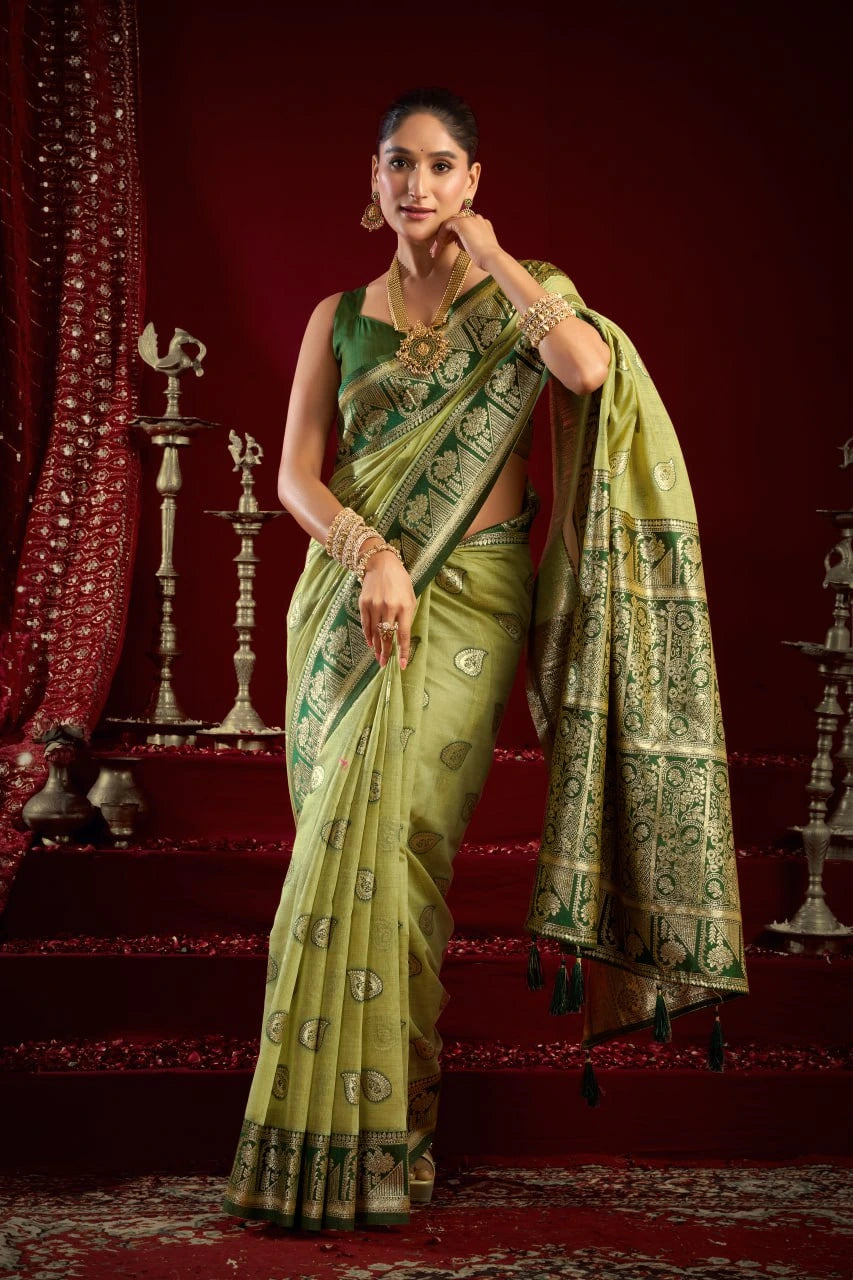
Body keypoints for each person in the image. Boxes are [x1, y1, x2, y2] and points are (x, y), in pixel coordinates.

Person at [222, 87, 747, 1233]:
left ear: (471, 180)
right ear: (372, 180)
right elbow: (296, 475)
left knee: (404, 851)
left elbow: (585, 370)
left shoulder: (523, 290)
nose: (416, 184)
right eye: (397, 163)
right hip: (351, 599)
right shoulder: (336, 317)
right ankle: (318, 1147)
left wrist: (498, 257)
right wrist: (370, 553)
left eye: (439, 165)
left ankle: (388, 1142)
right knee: (332, 851)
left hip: (470, 601)